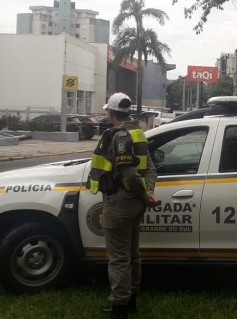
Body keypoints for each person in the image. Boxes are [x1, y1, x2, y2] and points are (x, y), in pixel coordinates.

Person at [88, 92, 159, 319]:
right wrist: (148, 192)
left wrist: (143, 195)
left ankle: (119, 309)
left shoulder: (118, 137)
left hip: (119, 202)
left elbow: (129, 175)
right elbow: (149, 169)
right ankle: (130, 301)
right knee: (132, 254)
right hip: (135, 204)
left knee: (119, 258)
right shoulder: (138, 134)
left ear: (110, 112)